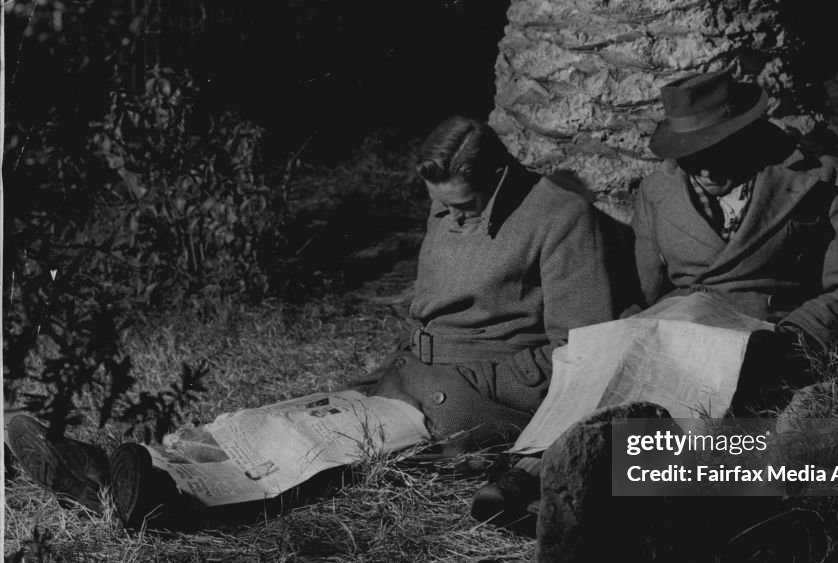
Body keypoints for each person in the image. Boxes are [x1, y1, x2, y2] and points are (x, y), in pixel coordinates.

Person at [7, 115, 616, 529]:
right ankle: (113, 466)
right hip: (413, 371)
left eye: (458, 206)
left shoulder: (561, 219)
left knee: (315, 453)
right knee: (266, 422)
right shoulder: (452, 197)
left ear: (499, 179)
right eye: (437, 205)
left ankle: (155, 501)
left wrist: (481, 385)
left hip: (473, 396)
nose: (444, 217)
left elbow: (585, 352)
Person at [471, 69, 838, 525]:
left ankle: (577, 484)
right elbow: (647, 295)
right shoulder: (659, 189)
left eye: (717, 150)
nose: (704, 169)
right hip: (677, 317)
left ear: (746, 133)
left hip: (761, 331)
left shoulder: (819, 179)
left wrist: (792, 338)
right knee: (615, 347)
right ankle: (532, 469)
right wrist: (622, 335)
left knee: (682, 364)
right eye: (691, 155)